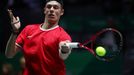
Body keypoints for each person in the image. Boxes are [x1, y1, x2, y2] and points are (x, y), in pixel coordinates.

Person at [5, 0, 72, 75]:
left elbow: (63, 56)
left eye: (56, 7)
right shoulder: (28, 30)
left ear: (61, 12)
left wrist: (64, 49)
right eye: (49, 7)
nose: (52, 9)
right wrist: (14, 32)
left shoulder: (63, 35)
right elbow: (9, 54)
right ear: (44, 10)